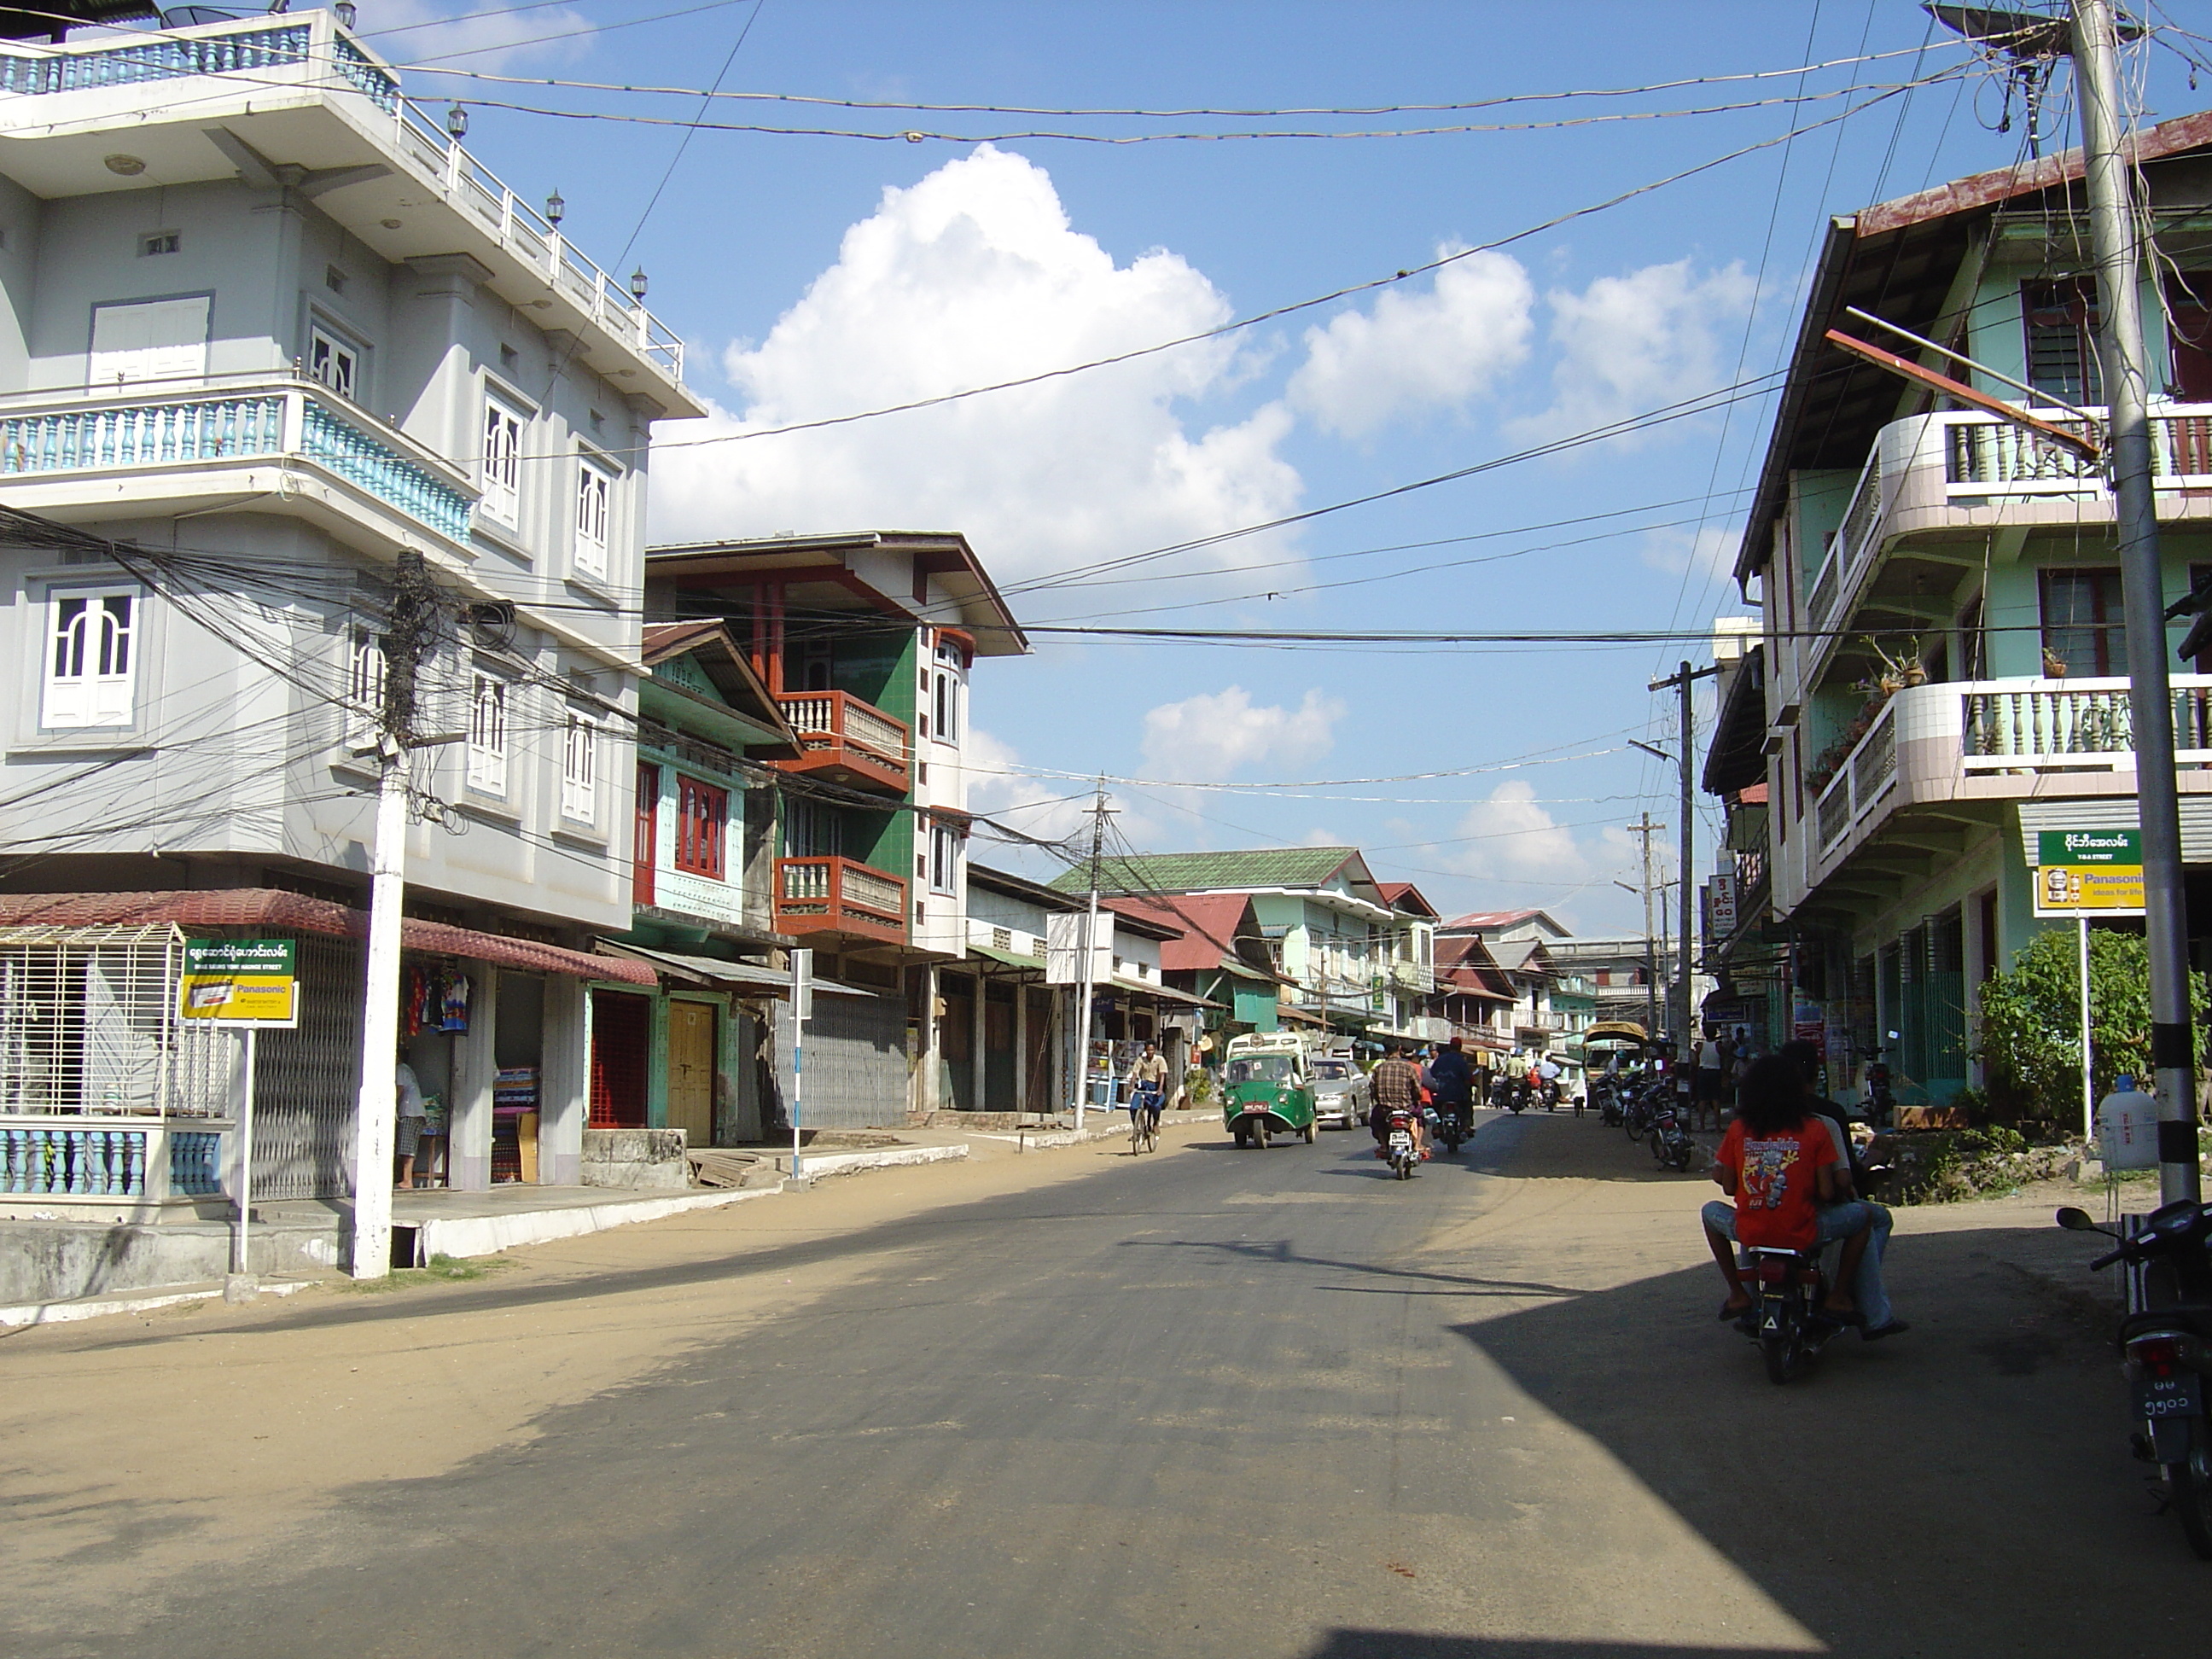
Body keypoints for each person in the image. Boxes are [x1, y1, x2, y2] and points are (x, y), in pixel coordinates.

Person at [1701, 1053, 1872, 1327]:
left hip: (1750, 1231)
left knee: (1709, 1212)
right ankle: (1839, 1295)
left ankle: (1737, 1294)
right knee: (1863, 1217)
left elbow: (1728, 1186)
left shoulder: (1739, 1130)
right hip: (1802, 1231)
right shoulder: (1816, 1129)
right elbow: (1828, 1193)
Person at [1777, 1038, 1906, 1340]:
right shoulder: (1825, 1119)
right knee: (1870, 1218)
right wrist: (1870, 1161)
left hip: (1767, 1211)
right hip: (1816, 1212)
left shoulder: (1760, 1118)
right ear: (1815, 1075)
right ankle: (1858, 1303)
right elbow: (1840, 1182)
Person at [1369, 1042, 1429, 1160]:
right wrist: (1416, 1099)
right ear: (1399, 1049)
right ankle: (1417, 1145)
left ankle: (1384, 1146)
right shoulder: (1408, 1067)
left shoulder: (1379, 1069)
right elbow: (1417, 1089)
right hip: (1407, 1108)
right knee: (1421, 1118)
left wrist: (1380, 1100)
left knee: (1376, 1121)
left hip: (1385, 1110)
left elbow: (1372, 1089)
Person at [1424, 1037, 1475, 1140]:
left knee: (1435, 1108)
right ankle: (1466, 1126)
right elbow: (1467, 1077)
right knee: (1467, 1104)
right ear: (1460, 1047)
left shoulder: (1440, 1060)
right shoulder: (1461, 1060)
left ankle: (1437, 1127)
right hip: (1459, 1094)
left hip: (1441, 1093)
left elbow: (1432, 1075)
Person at [394, 1045, 428, 1191]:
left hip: (410, 1111)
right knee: (409, 1146)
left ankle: (407, 1180)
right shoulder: (407, 1069)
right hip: (416, 1111)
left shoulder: (400, 1069)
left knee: (406, 1146)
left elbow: (398, 1089)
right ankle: (406, 1179)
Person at [1126, 1043, 1168, 1138]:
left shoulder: (1159, 1060)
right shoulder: (1141, 1060)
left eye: (1152, 1050)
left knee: (1156, 1106)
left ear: (1155, 1050)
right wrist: (1131, 1086)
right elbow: (1135, 1073)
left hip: (1155, 1086)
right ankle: (1137, 1129)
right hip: (1144, 1086)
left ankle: (1156, 1123)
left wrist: (1160, 1088)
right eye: (1148, 1050)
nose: (1150, 1052)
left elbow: (1162, 1075)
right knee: (1133, 1107)